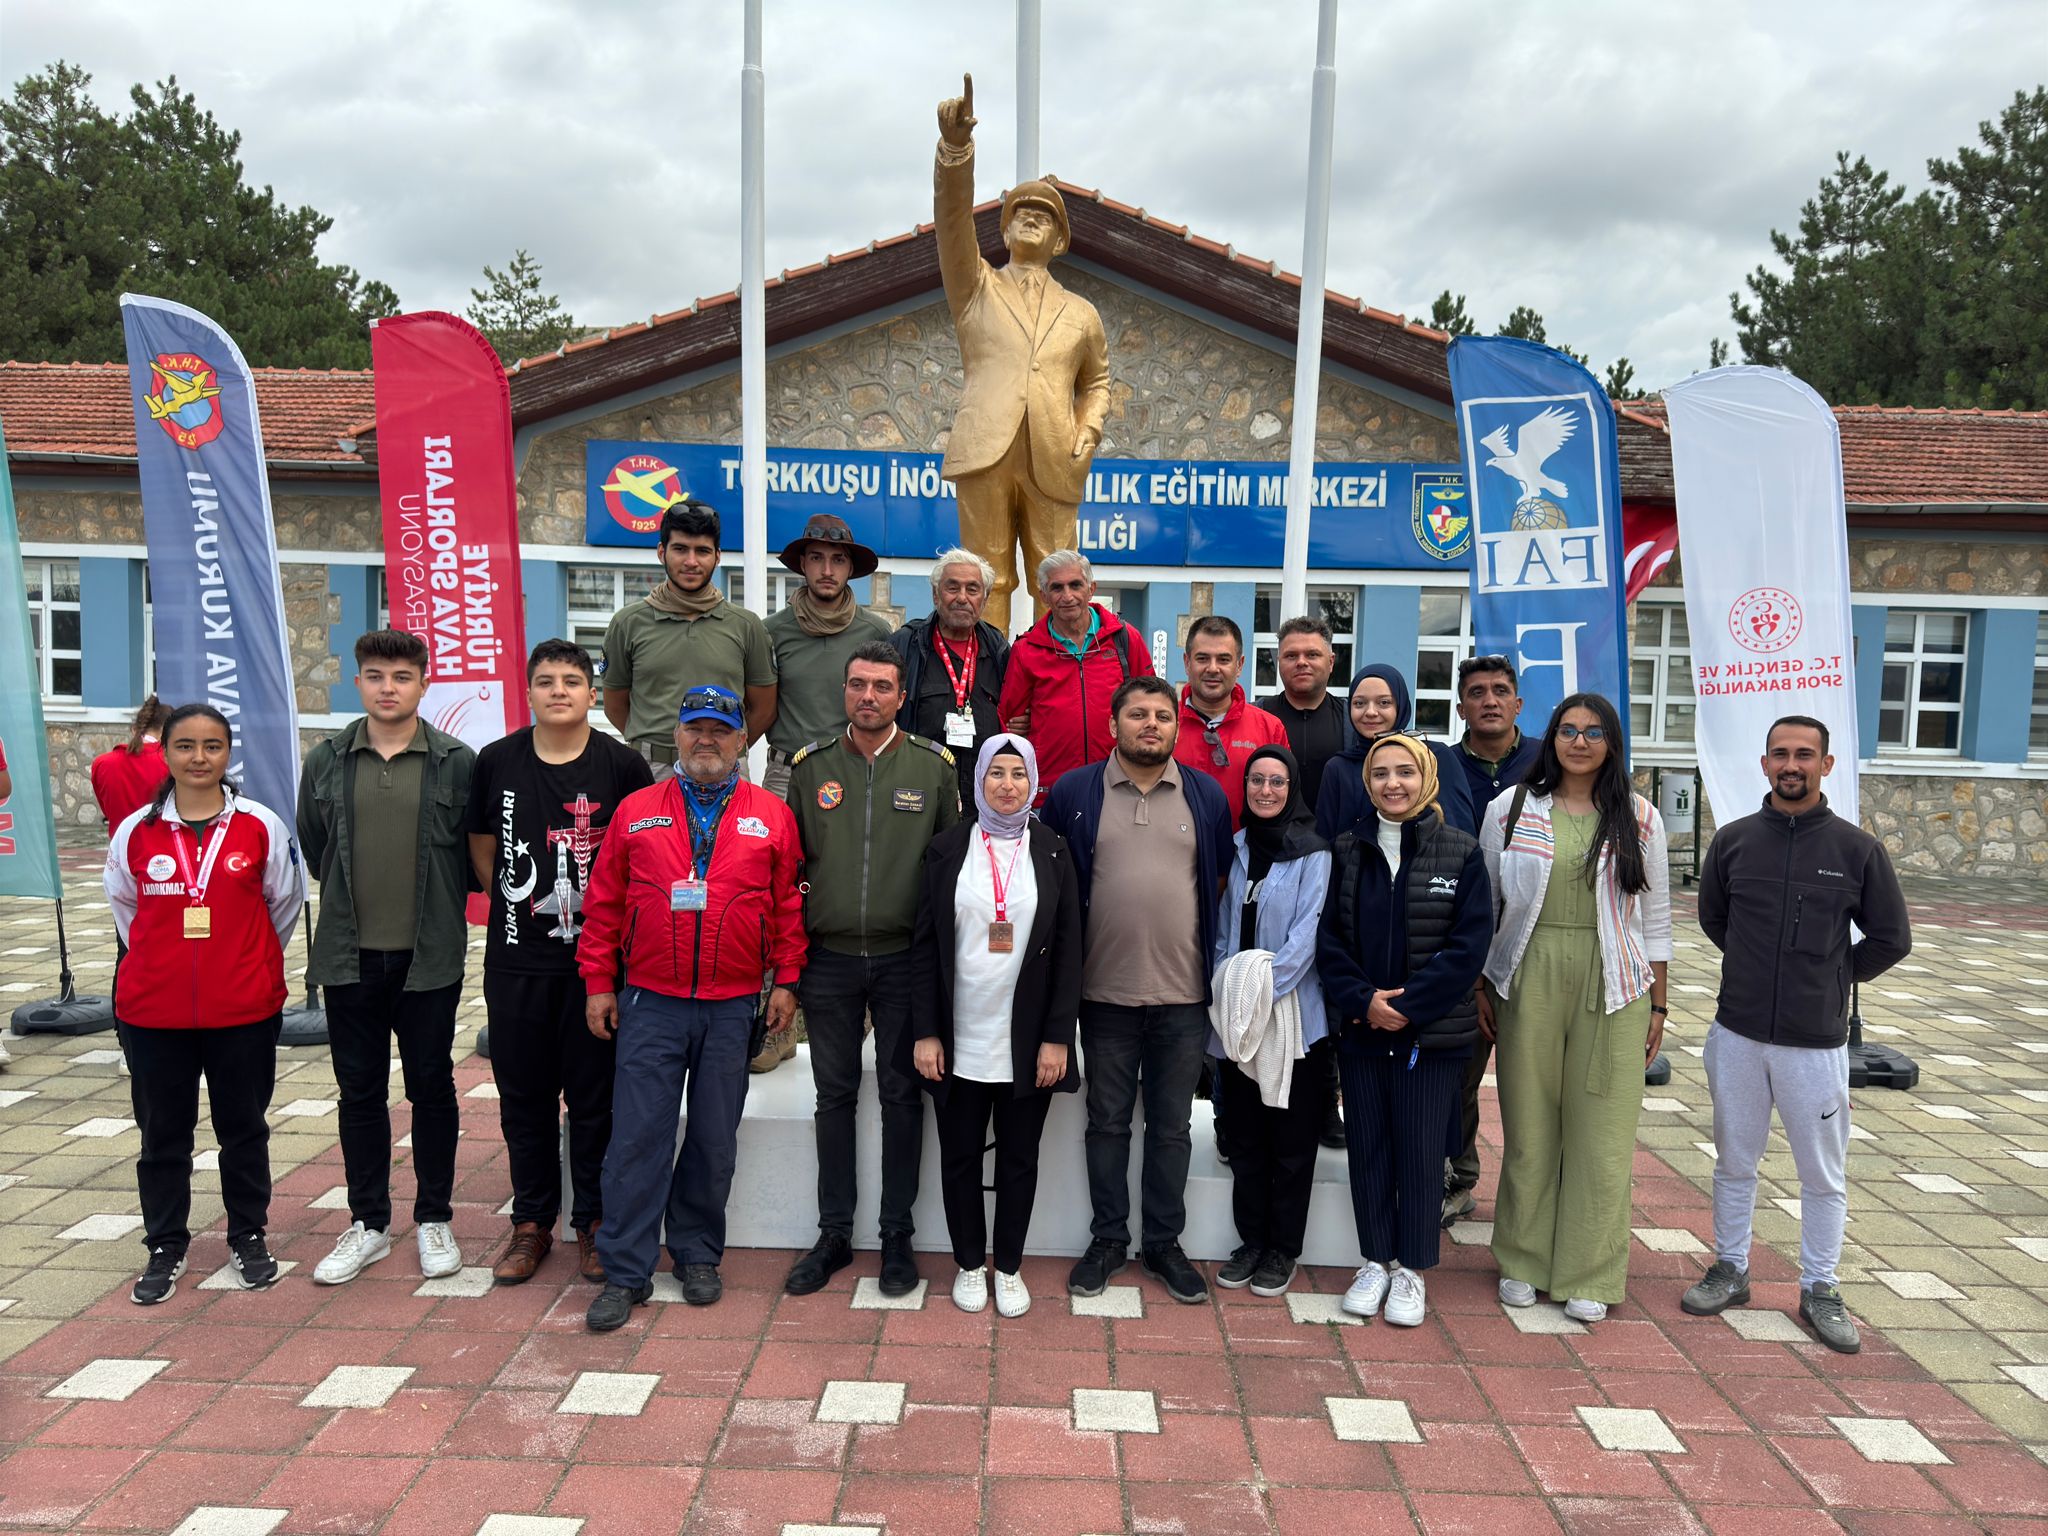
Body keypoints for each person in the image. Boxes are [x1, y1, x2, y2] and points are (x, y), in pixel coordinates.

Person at [576, 685, 804, 1328]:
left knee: (712, 1138)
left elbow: (788, 903)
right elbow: (604, 905)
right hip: (651, 1001)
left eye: (721, 730)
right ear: (677, 733)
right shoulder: (637, 810)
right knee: (637, 1138)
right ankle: (626, 1269)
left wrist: (786, 979)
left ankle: (698, 1254)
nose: (707, 740)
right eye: (695, 728)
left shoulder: (771, 814)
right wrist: (599, 982)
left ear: (741, 739)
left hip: (731, 1004)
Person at [1682, 715, 1911, 1355]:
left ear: (1825, 766)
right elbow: (1715, 918)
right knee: (1734, 1161)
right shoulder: (1732, 843)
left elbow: (1893, 938)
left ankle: (1820, 1288)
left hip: (1816, 1044)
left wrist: (1835, 977)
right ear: (1764, 765)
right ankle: (1730, 1269)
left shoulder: (1856, 850)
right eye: (1780, 754)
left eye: (1804, 755)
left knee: (1823, 1173)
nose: (1792, 765)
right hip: (1738, 1034)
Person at [466, 640, 654, 1286]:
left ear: (592, 693)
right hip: (518, 963)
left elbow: (637, 859)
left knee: (596, 1101)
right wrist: (520, 913)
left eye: (571, 681)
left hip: (597, 968)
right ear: (529, 690)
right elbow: (485, 851)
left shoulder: (622, 766)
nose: (558, 691)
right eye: (545, 680)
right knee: (524, 1099)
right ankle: (531, 1223)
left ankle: (595, 1223)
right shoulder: (496, 762)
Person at [104, 703, 305, 1304]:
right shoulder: (136, 830)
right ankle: (165, 1243)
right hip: (153, 1013)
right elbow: (126, 911)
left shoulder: (261, 825)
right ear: (164, 751)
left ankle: (248, 1234)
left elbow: (283, 906)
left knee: (243, 1129)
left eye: (212, 746)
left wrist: (242, 962)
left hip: (242, 1010)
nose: (199, 758)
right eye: (186, 746)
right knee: (162, 1135)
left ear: (227, 753)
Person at [1043, 676, 1234, 1305]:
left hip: (1183, 996)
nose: (1150, 725)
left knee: (1173, 1127)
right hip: (1103, 996)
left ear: (1177, 727)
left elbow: (1219, 883)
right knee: (1107, 1123)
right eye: (1137, 715)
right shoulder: (1075, 791)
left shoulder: (1204, 795)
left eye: (1161, 716)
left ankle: (1163, 1244)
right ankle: (1106, 1240)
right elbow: (1054, 888)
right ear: (1113, 725)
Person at [1481, 694, 1670, 1324]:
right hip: (1527, 974)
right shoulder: (1509, 808)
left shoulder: (1639, 818)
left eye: (1593, 732)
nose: (1580, 742)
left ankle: (1590, 1269)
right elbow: (1486, 906)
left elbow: (1658, 919)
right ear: (1550, 737)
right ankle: (1523, 1259)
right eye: (1568, 730)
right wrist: (1483, 984)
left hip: (1615, 981)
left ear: (1612, 743)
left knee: (1604, 1132)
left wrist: (1659, 1006)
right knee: (1530, 1126)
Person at [298, 629, 476, 1286]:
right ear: (358, 682)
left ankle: (434, 1217)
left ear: (424, 683)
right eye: (376, 675)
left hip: (429, 959)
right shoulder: (326, 760)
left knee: (432, 1087)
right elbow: (315, 844)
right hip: (350, 958)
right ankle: (369, 1222)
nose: (389, 687)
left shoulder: (457, 761)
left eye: (402, 676)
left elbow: (472, 861)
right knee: (360, 1092)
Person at [784, 642, 961, 1297]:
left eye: (882, 687)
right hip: (827, 960)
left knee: (899, 1097)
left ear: (899, 696)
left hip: (902, 963)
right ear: (844, 692)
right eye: (857, 685)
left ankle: (895, 1236)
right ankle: (834, 1233)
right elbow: (790, 870)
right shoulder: (810, 768)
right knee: (833, 1097)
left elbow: (951, 872)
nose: (868, 697)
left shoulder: (934, 766)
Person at [1317, 733, 1490, 1326]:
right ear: (1367, 784)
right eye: (1381, 774)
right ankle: (1374, 1261)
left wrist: (1409, 1006)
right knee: (1369, 1149)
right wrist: (1363, 1000)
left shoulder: (1461, 852)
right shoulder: (1345, 850)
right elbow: (1329, 940)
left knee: (1420, 1153)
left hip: (1430, 1037)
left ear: (1426, 778)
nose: (1394, 783)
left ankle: (1412, 1270)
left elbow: (1468, 948)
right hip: (1364, 1030)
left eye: (1405, 773)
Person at [911, 735, 1083, 1317]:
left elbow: (1068, 951)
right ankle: (966, 1263)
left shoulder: (1055, 850)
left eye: (1019, 774)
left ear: (1034, 783)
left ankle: (1006, 1265)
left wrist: (1058, 1036)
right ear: (977, 781)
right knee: (958, 1157)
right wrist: (926, 1031)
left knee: (1018, 1158)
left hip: (1027, 1041)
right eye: (995, 774)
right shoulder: (945, 848)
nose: (1007, 785)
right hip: (960, 1037)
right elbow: (924, 948)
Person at [934, 73, 1110, 632]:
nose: (1031, 217)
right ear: (1005, 230)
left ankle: (1052, 674)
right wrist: (955, 152)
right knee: (982, 577)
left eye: (1046, 215)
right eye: (1021, 212)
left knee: (1054, 576)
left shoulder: (1081, 312)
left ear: (1060, 241)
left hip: (1056, 454)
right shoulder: (975, 287)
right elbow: (951, 223)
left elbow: (1098, 381)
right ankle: (982, 676)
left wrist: (1088, 430)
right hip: (987, 446)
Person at [1208, 746, 1333, 1299]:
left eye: (1276, 782)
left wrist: (1258, 989)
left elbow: (1306, 940)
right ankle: (1251, 1241)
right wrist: (1224, 986)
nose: (1265, 791)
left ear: (1292, 788)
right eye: (1256, 780)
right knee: (1245, 1137)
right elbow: (1220, 932)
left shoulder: (1314, 853)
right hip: (1235, 1019)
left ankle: (1283, 1248)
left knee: (1290, 1142)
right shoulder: (1235, 849)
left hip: (1293, 1020)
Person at [1442, 654, 1544, 1225]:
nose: (1489, 700)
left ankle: (1537, 1198)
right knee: (1460, 1070)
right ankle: (1458, 1176)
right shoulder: (1444, 765)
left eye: (1500, 691)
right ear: (1461, 706)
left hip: (1535, 941)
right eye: (1476, 692)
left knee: (1535, 1081)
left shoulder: (1546, 764)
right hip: (1464, 941)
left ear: (1517, 704)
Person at [600, 498, 777, 778]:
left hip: (724, 768)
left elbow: (764, 707)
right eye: (680, 549)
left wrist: (725, 746)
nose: (691, 561)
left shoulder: (746, 626)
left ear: (718, 557)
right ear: (662, 552)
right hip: (650, 770)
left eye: (702, 551)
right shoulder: (628, 623)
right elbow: (614, 705)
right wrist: (658, 749)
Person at [996, 551, 1154, 796]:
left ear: (1091, 589)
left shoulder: (1124, 638)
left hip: (1119, 784)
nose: (1067, 596)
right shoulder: (1025, 650)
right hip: (1051, 789)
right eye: (1057, 587)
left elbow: (1151, 702)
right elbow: (1008, 722)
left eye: (1075, 585)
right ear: (1044, 596)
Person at [762, 513, 893, 801]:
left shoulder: (876, 632)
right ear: (802, 564)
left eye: (838, 560)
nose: (827, 570)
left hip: (850, 770)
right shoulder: (771, 631)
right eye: (817, 558)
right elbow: (758, 705)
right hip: (785, 774)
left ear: (850, 568)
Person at [889, 547, 1010, 810]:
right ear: (935, 595)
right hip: (917, 794)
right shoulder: (905, 645)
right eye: (952, 588)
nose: (962, 598)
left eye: (973, 589)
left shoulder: (1000, 651)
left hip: (981, 798)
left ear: (985, 598)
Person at [1315, 663, 1476, 841]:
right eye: (1359, 703)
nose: (1370, 712)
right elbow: (1327, 842)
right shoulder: (1339, 768)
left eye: (1384, 703)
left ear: (1400, 706)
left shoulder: (1434, 756)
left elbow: (1462, 832)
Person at [91, 694, 175, 1026]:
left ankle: (126, 1037)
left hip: (125, 867)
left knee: (127, 953)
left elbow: (107, 810)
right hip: (170, 868)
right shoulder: (168, 763)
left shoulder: (103, 764)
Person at [1172, 616, 1289, 826]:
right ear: (1187, 663)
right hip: (1176, 854)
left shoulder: (1270, 729)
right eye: (1202, 658)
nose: (1213, 668)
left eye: (1224, 659)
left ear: (1240, 665)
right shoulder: (1164, 726)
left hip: (1246, 854)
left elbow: (1285, 801)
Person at [1257, 617, 1349, 810]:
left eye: (1312, 654)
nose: (1301, 662)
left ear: (1331, 662)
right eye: (1291, 656)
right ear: (1279, 662)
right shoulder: (1256, 716)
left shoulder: (1352, 721)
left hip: (1336, 837)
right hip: (1269, 838)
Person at [91, 695, 173, 832]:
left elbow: (108, 811)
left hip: (120, 849)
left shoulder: (102, 764)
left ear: (135, 729)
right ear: (168, 730)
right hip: (162, 850)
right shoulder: (171, 763)